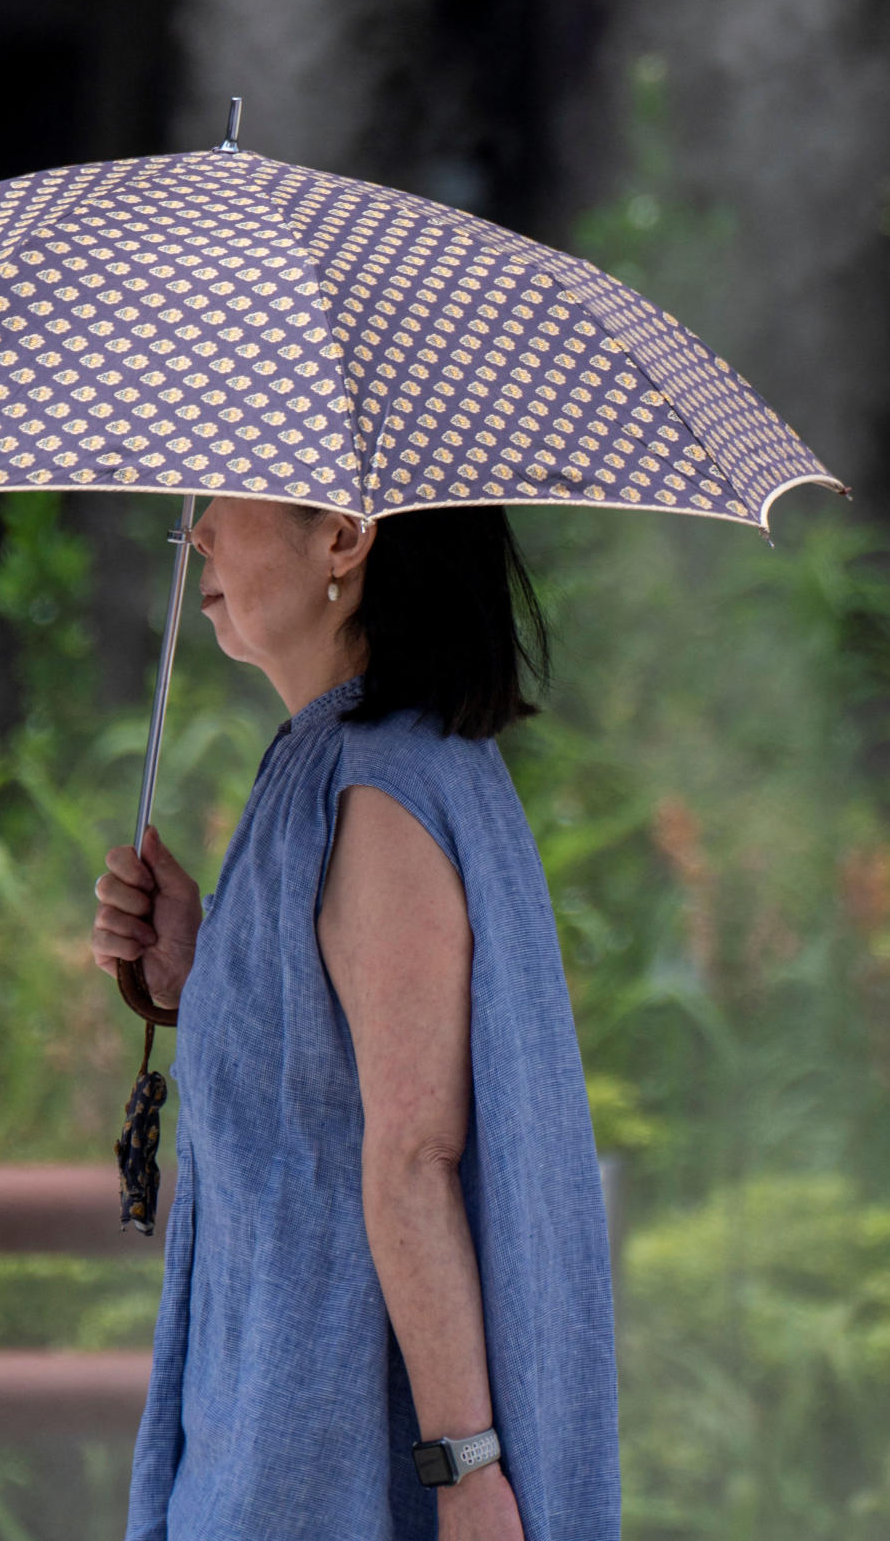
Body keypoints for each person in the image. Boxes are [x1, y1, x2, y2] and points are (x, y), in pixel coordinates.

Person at [91, 497, 619, 1541]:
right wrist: (204, 971)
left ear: (344, 536)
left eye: (223, 502)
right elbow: (326, 1077)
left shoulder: (380, 790)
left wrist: (467, 1476)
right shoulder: (331, 760)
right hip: (275, 1446)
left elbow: (414, 1153)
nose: (195, 532)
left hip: (336, 1476)